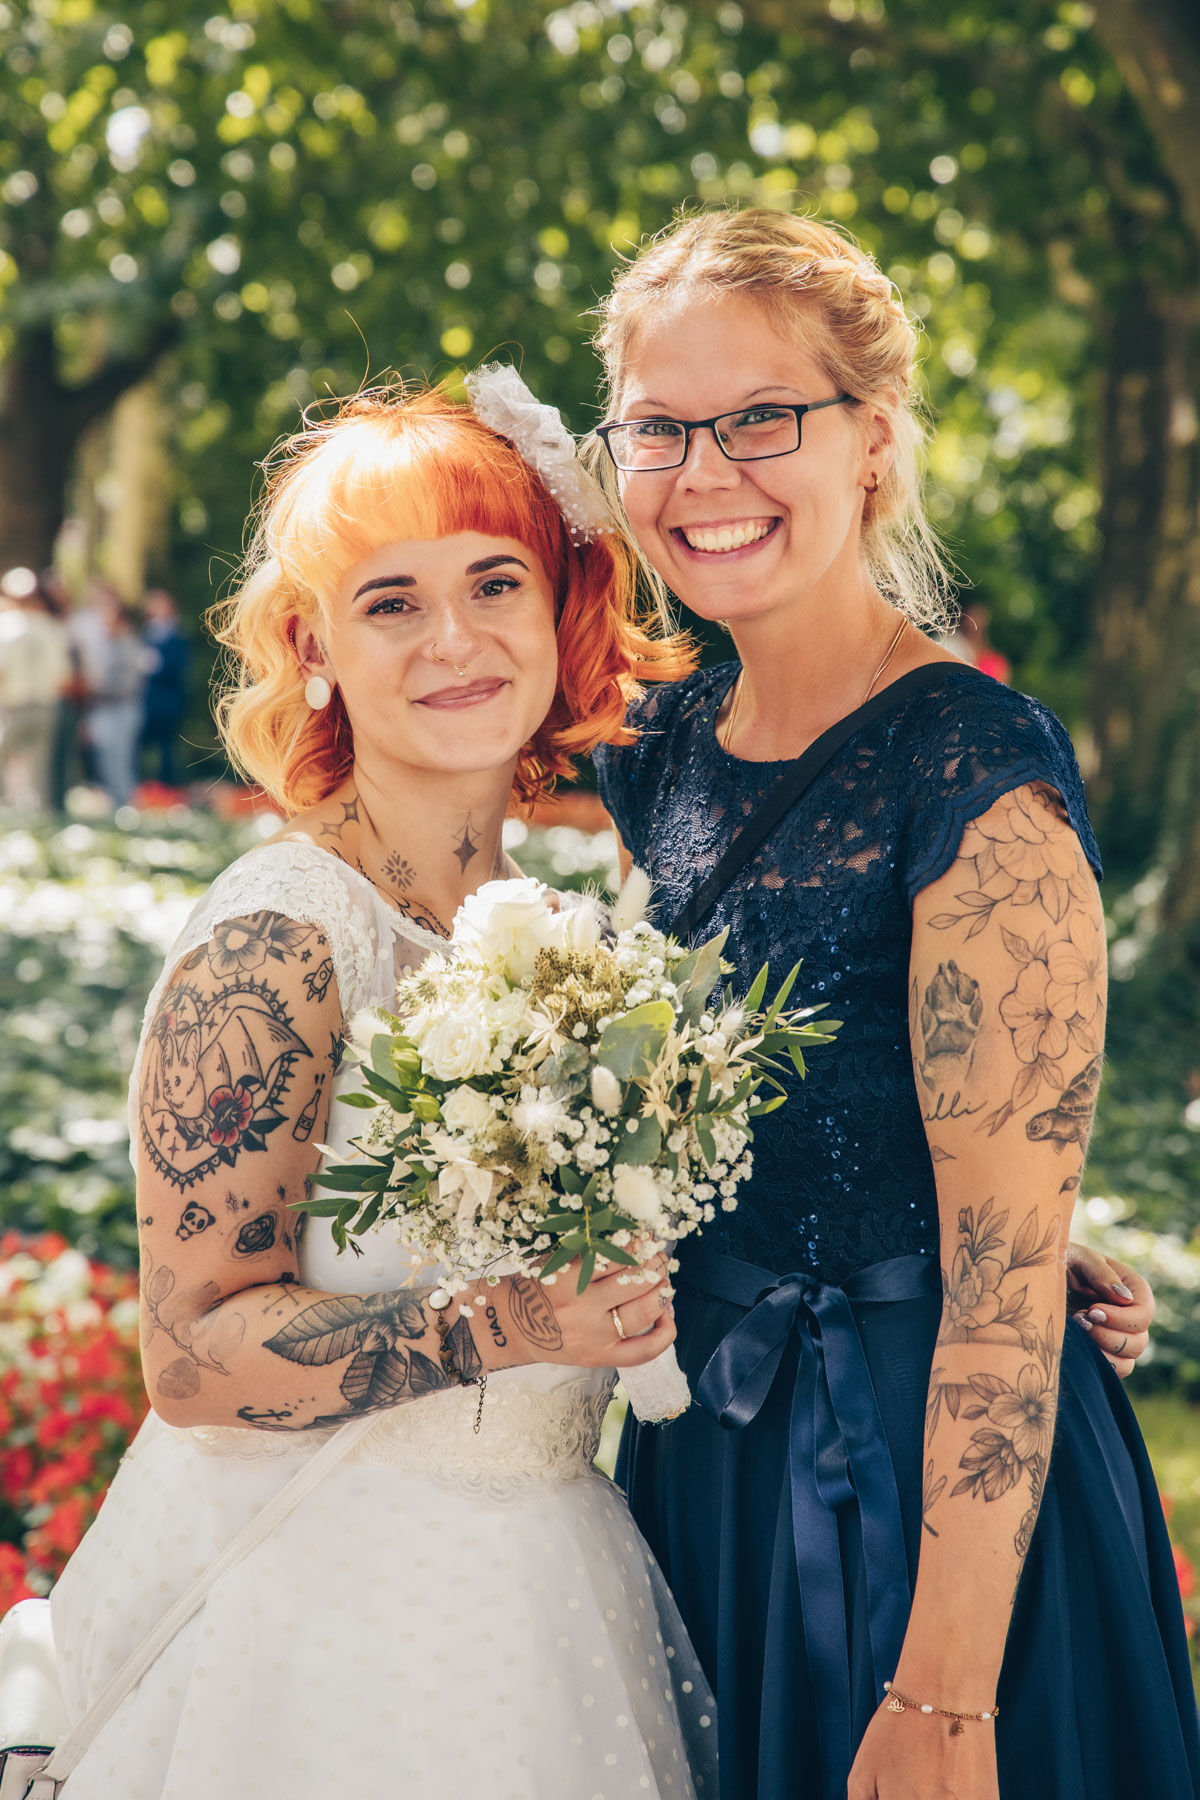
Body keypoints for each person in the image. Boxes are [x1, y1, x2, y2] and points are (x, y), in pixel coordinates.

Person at [588, 209, 1199, 1800]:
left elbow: (1001, 1303)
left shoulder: (974, 777)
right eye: (660, 429)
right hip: (704, 1457)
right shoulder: (661, 746)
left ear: (868, 442)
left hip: (926, 1507)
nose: (705, 474)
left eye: (761, 420)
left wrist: (944, 1697)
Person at [47, 385, 716, 1798]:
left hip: (550, 1587)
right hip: (309, 1611)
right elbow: (192, 1357)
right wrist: (518, 1324)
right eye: (393, 602)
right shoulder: (279, 942)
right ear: (315, 648)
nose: (458, 638)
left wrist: (992, 1255)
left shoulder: (571, 935)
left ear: (560, 611)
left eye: (495, 583)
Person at [0, 567, 72, 811]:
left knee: (6, 764)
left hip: (14, 706)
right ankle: (38, 816)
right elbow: (64, 676)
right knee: (39, 768)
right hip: (46, 706)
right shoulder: (52, 628)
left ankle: (10, 813)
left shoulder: (5, 626)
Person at [73, 582, 145, 809]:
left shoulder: (127, 641)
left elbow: (128, 679)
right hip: (100, 707)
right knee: (104, 758)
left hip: (123, 705)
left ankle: (126, 803)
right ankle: (115, 804)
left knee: (122, 757)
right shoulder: (96, 643)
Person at [139, 587, 191, 790]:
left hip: (168, 700)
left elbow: (179, 667)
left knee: (167, 747)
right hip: (148, 699)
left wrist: (158, 665)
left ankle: (169, 788)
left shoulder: (177, 633)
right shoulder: (147, 632)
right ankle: (149, 785)